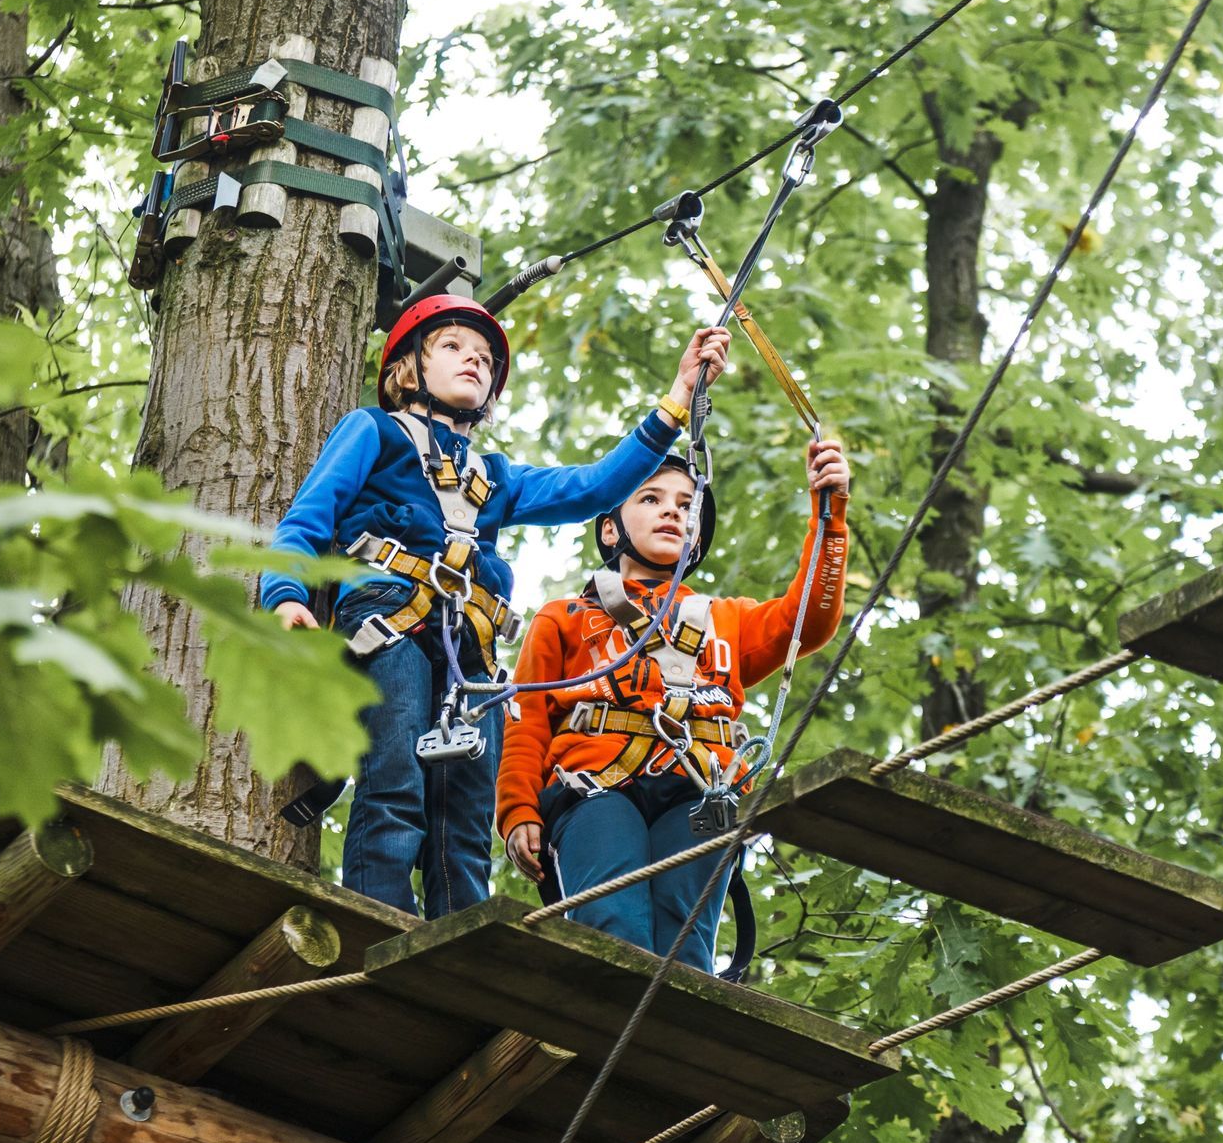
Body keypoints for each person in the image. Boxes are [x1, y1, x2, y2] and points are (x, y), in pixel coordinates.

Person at [260, 294, 730, 918]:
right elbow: (307, 520)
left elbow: (594, 487)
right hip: (388, 623)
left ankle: (458, 940)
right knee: (395, 782)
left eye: (484, 357)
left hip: (471, 661)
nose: (474, 362)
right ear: (407, 368)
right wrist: (287, 596)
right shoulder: (372, 431)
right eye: (453, 347)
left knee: (464, 811)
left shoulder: (497, 478)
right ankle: (372, 921)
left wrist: (677, 397)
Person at [496, 439, 851, 971]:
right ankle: (611, 1037)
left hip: (701, 789)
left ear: (697, 534)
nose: (671, 510)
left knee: (685, 945)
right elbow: (525, 722)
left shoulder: (726, 619)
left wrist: (830, 515)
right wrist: (517, 810)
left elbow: (809, 621)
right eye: (651, 499)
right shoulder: (565, 618)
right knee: (614, 925)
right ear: (611, 528)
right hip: (594, 787)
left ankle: (668, 1044)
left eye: (686, 505)